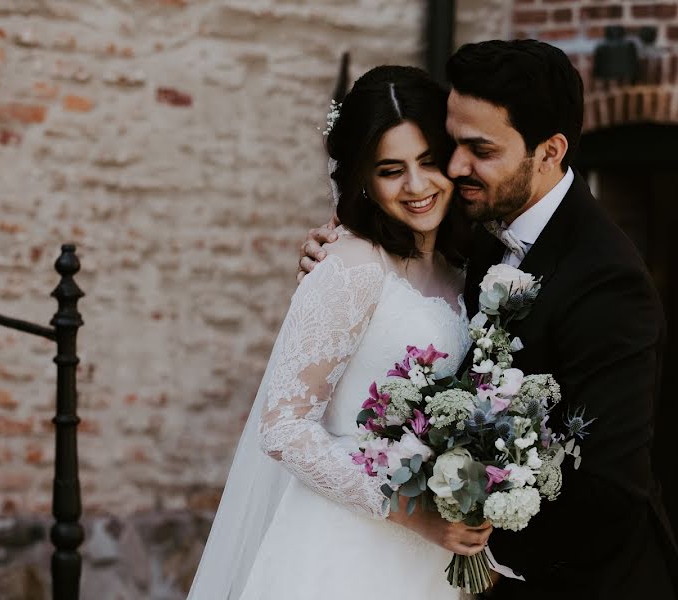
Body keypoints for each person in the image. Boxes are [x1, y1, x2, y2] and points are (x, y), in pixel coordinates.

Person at [299, 40, 678, 599]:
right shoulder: (473, 216)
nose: (455, 168)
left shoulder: (609, 282)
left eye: (479, 149)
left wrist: (471, 542)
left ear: (550, 151)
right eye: (451, 143)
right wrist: (329, 256)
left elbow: (610, 494)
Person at [187, 65, 491, 600]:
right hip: (345, 548)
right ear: (364, 182)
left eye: (427, 161)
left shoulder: (464, 271)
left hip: (433, 559)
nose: (417, 186)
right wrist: (409, 512)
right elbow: (283, 426)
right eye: (391, 170)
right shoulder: (349, 265)